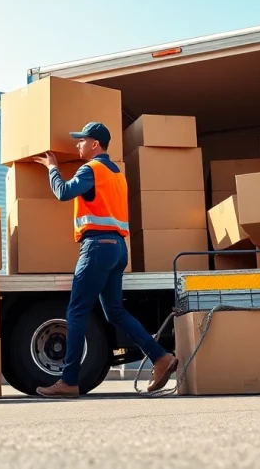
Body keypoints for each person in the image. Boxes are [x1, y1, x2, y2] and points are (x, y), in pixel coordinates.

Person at [32, 122, 178, 398]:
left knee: (76, 312)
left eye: (81, 140)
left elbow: (63, 192)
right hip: (118, 248)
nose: (77, 145)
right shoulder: (116, 173)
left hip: (97, 247)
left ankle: (70, 380)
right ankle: (161, 358)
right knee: (114, 312)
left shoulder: (91, 170)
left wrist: (52, 168)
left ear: (95, 144)